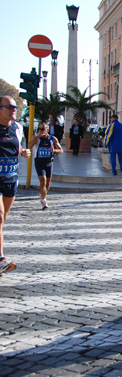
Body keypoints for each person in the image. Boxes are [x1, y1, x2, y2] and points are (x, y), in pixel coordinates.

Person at [0, 96, 31, 274]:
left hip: (11, 179)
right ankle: (1, 259)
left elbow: (17, 149)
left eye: (14, 107)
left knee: (2, 221)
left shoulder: (17, 128)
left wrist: (24, 153)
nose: (14, 109)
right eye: (9, 107)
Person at [27, 122, 63, 210]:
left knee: (48, 182)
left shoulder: (52, 138)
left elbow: (61, 150)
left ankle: (43, 194)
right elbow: (29, 146)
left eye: (42, 129)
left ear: (47, 130)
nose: (40, 131)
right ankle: (44, 200)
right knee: (42, 180)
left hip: (49, 162)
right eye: (39, 129)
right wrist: (37, 137)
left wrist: (54, 150)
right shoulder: (36, 138)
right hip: (39, 161)